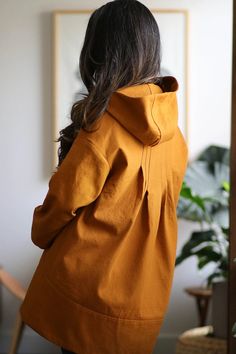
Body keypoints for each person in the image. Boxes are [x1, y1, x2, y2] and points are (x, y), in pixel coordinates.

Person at [19, 1, 188, 354]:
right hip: (142, 297)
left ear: (98, 53)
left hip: (84, 289)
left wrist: (40, 230)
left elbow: (62, 202)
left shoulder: (104, 127)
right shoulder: (176, 138)